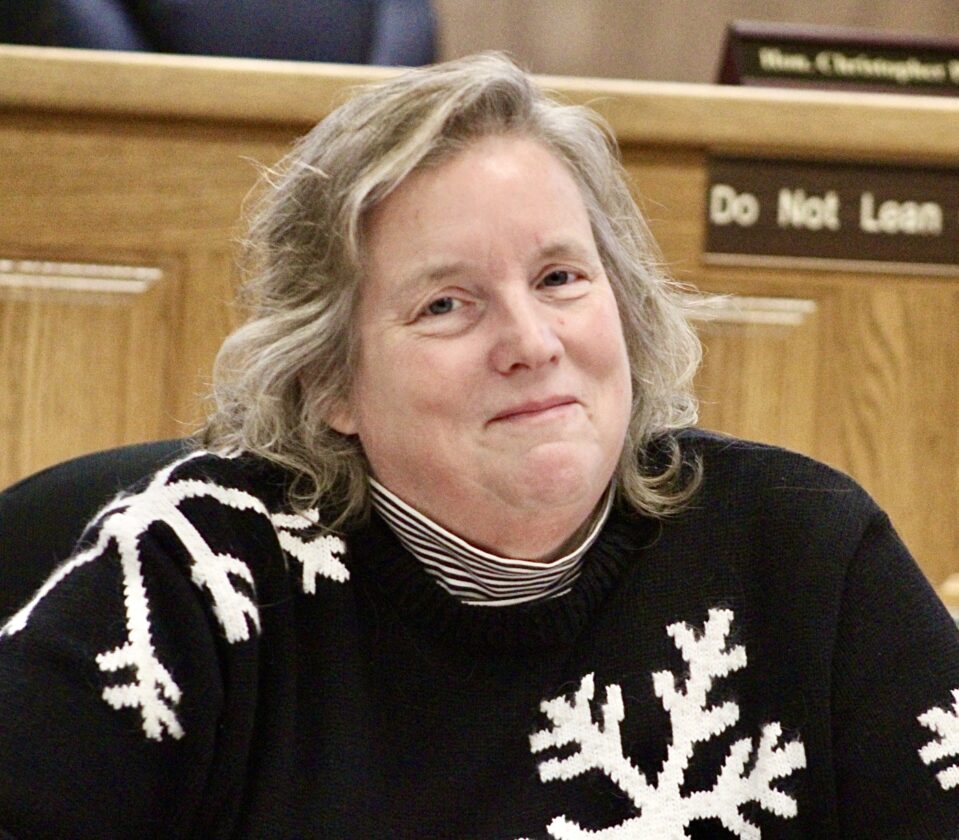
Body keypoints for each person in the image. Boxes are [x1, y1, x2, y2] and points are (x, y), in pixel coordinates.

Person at [1, 52, 958, 840]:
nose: (531, 343)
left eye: (559, 278)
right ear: (329, 380)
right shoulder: (193, 572)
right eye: (446, 304)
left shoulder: (806, 554)